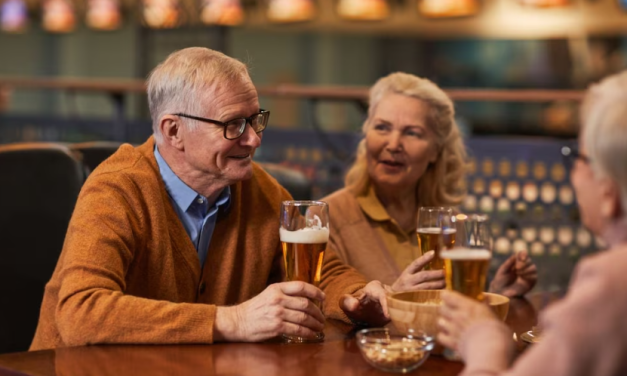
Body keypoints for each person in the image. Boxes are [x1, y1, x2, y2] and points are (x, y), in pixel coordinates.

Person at [30, 47, 389, 350]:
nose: (253, 140)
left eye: (255, 120)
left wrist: (357, 298)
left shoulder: (262, 190)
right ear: (174, 130)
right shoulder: (116, 189)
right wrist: (232, 320)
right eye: (233, 124)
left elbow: (324, 273)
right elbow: (82, 313)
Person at [437, 71, 627, 376]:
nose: (573, 172)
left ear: (608, 193)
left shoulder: (612, 282)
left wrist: (486, 346)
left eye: (578, 156)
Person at [322, 72, 537, 297]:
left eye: (412, 133)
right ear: (366, 135)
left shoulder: (450, 224)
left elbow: (457, 311)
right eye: (382, 128)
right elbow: (326, 311)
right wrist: (395, 296)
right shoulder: (330, 217)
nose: (394, 144)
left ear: (436, 150)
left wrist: (494, 294)